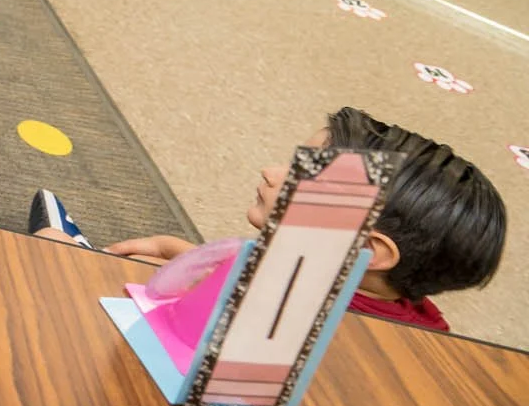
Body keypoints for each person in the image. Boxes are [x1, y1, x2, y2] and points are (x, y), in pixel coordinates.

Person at [32, 107, 507, 333]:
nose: (271, 172)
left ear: (368, 250)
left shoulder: (278, 322)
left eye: (301, 176)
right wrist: (190, 255)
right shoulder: (422, 322)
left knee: (51, 242)